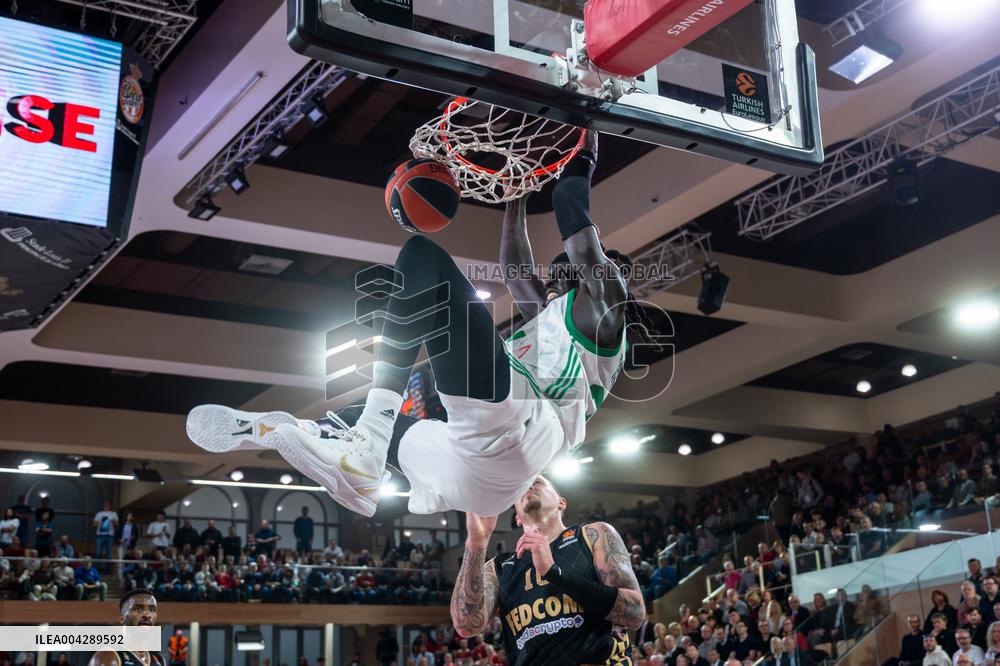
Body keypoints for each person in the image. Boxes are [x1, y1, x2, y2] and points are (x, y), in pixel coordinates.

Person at [187, 130, 654, 520]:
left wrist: (583, 152)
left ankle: (367, 443)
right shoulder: (555, 315)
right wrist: (516, 191)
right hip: (473, 468)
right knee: (353, 416)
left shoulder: (605, 306)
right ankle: (328, 444)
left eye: (556, 276)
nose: (544, 284)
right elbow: (514, 267)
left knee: (422, 256)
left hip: (526, 428)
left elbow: (571, 206)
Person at [450, 475, 642, 665]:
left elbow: (634, 613)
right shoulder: (499, 568)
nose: (527, 486)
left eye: (536, 482)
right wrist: (476, 545)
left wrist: (553, 573)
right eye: (521, 488)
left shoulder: (592, 534)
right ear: (517, 518)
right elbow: (466, 626)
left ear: (561, 503)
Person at [87, 588, 165, 665]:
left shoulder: (159, 661)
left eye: (152, 610)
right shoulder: (108, 656)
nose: (147, 615)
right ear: (122, 619)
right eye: (138, 609)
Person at [92, 501, 118, 572]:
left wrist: (112, 520)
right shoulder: (99, 514)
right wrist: (99, 522)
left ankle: (107, 571)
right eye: (105, 505)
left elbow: (117, 524)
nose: (106, 506)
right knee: (98, 553)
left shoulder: (113, 514)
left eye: (108, 505)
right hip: (100, 536)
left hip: (109, 536)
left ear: (110, 506)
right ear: (103, 506)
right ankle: (97, 570)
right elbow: (93, 524)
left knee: (108, 554)